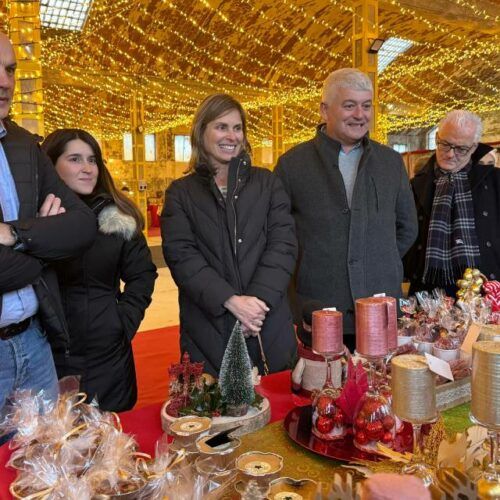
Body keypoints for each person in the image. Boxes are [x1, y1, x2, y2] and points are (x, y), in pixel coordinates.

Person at [275, 68, 418, 352]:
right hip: (319, 307)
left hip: (380, 309)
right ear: (324, 110)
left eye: (366, 106)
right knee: (322, 389)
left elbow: (407, 227)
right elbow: (278, 237)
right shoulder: (292, 166)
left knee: (380, 391)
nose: (360, 115)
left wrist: (375, 258)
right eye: (349, 105)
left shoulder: (390, 163)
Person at [161, 94, 297, 376]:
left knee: (279, 411)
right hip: (209, 327)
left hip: (265, 324)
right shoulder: (181, 193)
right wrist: (230, 301)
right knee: (216, 413)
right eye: (221, 127)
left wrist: (256, 305)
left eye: (237, 128)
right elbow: (182, 256)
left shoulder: (268, 184)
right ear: (202, 132)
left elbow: (283, 246)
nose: (231, 136)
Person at [0, 33, 96, 419]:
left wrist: (17, 235)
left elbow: (82, 226)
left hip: (35, 343)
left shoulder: (23, 146)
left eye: (9, 70)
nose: (4, 82)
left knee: (45, 469)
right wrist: (44, 242)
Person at [42, 129, 157, 412]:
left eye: (92, 160)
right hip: (50, 353)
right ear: (51, 165)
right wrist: (42, 232)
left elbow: (142, 276)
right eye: (75, 159)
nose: (87, 168)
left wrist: (121, 323)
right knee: (57, 442)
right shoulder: (36, 219)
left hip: (108, 354)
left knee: (112, 443)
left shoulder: (118, 220)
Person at [404, 110, 500, 294]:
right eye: (444, 144)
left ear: (473, 148)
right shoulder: (414, 186)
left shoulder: (495, 181)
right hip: (429, 295)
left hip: (485, 292)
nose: (449, 154)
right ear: (437, 138)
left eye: (461, 149)